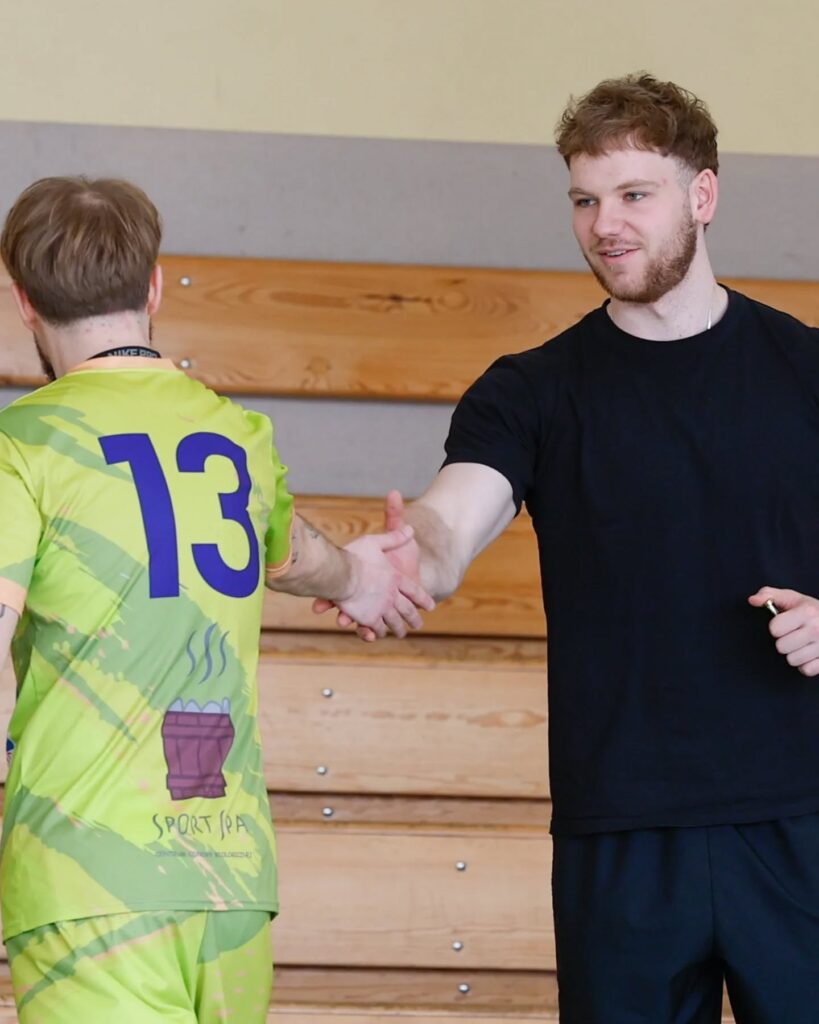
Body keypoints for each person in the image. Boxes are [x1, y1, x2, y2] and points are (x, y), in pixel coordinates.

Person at [317, 73, 819, 1023]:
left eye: (633, 195)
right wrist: (408, 554)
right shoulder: (532, 390)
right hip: (619, 828)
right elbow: (451, 520)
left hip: (801, 817)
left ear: (702, 195)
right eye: (584, 201)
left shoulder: (805, 370)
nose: (605, 225)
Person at [0, 175, 432, 1024]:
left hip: (88, 880)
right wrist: (367, 579)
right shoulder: (235, 435)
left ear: (23, 302)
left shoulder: (23, 446)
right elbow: (293, 553)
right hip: (228, 880)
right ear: (155, 286)